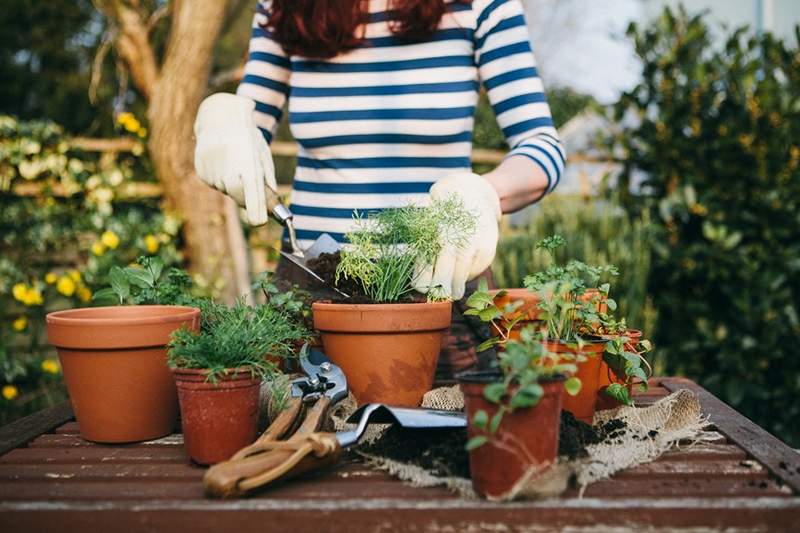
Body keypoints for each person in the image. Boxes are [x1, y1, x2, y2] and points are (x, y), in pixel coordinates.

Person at [194, 0, 565, 380]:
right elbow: (248, 125)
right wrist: (221, 119)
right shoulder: (285, 6)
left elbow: (541, 147)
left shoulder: (481, 6)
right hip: (312, 292)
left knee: (450, 426)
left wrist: (487, 192)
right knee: (305, 428)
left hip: (439, 291)